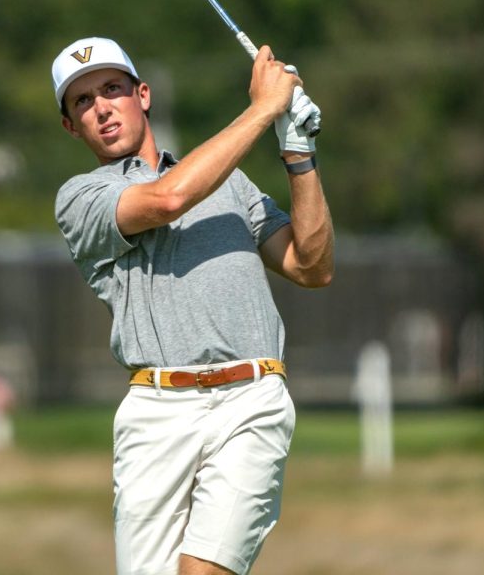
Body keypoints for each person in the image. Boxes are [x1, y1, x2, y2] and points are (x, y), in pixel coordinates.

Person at [52, 37, 334, 575]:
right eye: (82, 102)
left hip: (251, 401)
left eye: (112, 89)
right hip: (156, 413)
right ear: (71, 126)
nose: (101, 107)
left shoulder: (233, 183)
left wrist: (298, 152)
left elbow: (311, 266)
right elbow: (167, 199)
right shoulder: (80, 198)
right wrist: (262, 110)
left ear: (144, 94)